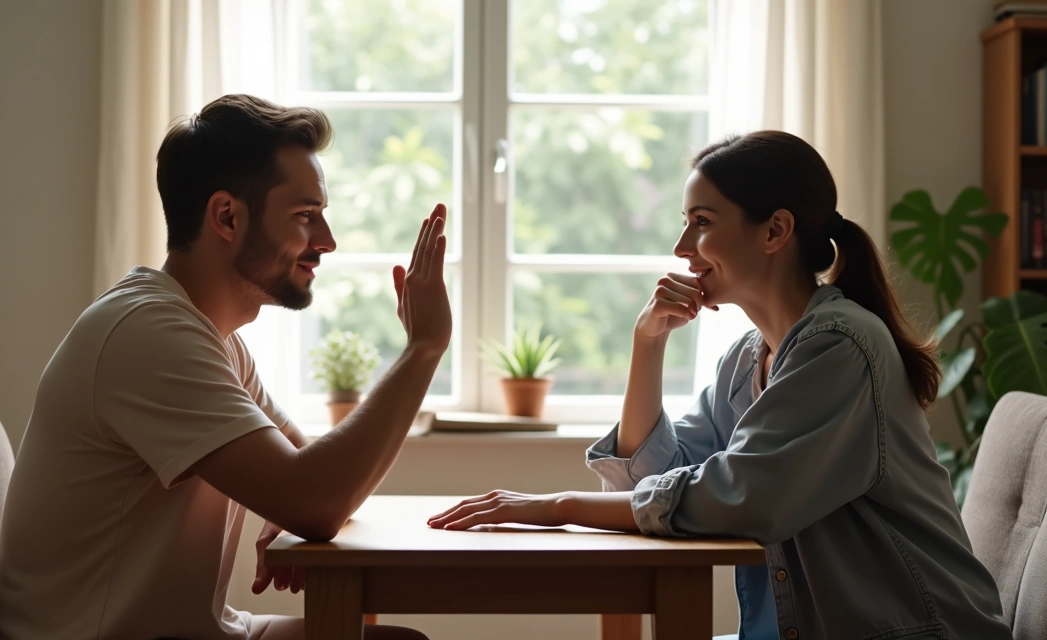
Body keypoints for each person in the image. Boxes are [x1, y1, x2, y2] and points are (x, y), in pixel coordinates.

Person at [429, 131, 1012, 640]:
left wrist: (559, 507)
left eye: (702, 224)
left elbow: (741, 496)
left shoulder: (839, 345)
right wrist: (647, 343)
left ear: (775, 230)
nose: (683, 250)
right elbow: (655, 475)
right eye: (684, 225)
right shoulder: (749, 358)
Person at [0, 94, 444, 640]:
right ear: (227, 216)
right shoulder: (148, 333)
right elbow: (318, 499)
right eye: (305, 217)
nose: (326, 242)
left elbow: (317, 478)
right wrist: (423, 348)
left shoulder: (212, 339)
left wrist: (301, 497)